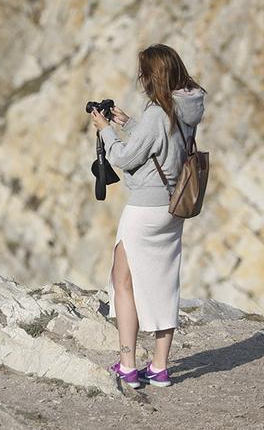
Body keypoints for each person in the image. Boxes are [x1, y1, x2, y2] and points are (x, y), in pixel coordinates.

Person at [89, 44, 206, 389]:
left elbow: (125, 158)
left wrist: (106, 130)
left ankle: (128, 365)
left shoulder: (158, 113)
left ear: (152, 76)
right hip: (173, 208)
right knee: (164, 282)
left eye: (143, 74)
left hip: (144, 210)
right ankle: (159, 367)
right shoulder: (187, 108)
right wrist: (130, 123)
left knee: (122, 278)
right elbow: (164, 144)